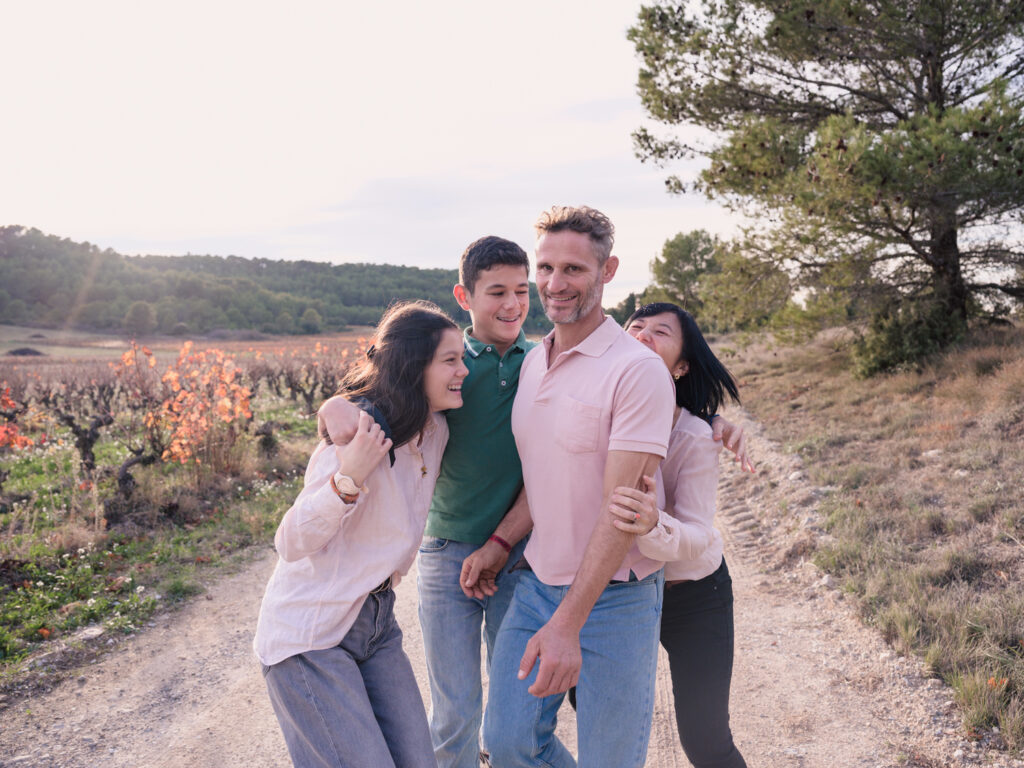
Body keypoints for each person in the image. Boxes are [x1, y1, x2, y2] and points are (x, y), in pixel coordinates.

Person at [483, 205, 675, 768]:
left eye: (573, 269)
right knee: (511, 743)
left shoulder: (635, 370)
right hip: (537, 582)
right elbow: (546, 475)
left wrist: (568, 623)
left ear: (608, 270)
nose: (554, 283)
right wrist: (500, 542)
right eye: (545, 267)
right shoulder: (534, 363)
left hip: (616, 598)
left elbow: (623, 509)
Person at [253, 300, 468, 768]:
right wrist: (348, 476)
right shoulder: (358, 437)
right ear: (414, 367)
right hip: (310, 635)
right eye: (450, 360)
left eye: (463, 358)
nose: (463, 370)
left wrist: (331, 404)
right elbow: (289, 542)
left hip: (376, 622)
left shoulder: (436, 430)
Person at [608, 301, 750, 768]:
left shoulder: (693, 437)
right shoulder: (599, 416)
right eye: (635, 326)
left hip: (693, 595)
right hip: (621, 595)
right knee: (590, 710)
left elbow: (696, 535)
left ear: (681, 365)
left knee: (706, 741)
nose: (644, 334)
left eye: (661, 332)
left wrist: (653, 524)